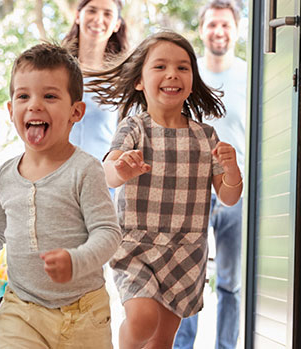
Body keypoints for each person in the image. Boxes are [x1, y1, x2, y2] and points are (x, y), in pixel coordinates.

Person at [0, 43, 123, 349]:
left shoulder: (86, 170)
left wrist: (75, 260)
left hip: (84, 315)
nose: (35, 105)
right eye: (24, 96)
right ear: (11, 110)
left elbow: (109, 233)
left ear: (76, 111)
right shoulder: (6, 176)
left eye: (49, 96)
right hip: (21, 310)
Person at [87, 31, 244, 349]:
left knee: (162, 342)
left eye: (182, 67)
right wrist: (121, 168)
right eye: (160, 66)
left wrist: (233, 169)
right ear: (139, 81)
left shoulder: (206, 137)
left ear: (191, 79)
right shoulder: (134, 128)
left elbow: (228, 196)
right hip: (137, 248)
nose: (172, 73)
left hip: (186, 252)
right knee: (143, 319)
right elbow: (108, 174)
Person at [174, 1, 248, 348]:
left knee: (231, 282)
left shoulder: (250, 75)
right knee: (189, 278)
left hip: (235, 191)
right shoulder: (189, 76)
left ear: (236, 29)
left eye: (225, 25)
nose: (219, 31)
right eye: (212, 25)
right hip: (193, 193)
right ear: (202, 29)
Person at [64, 0, 129, 161]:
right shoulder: (56, 69)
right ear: (78, 16)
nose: (98, 19)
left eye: (107, 14)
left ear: (116, 25)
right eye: (92, 11)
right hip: (56, 177)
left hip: (102, 179)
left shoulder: (123, 79)